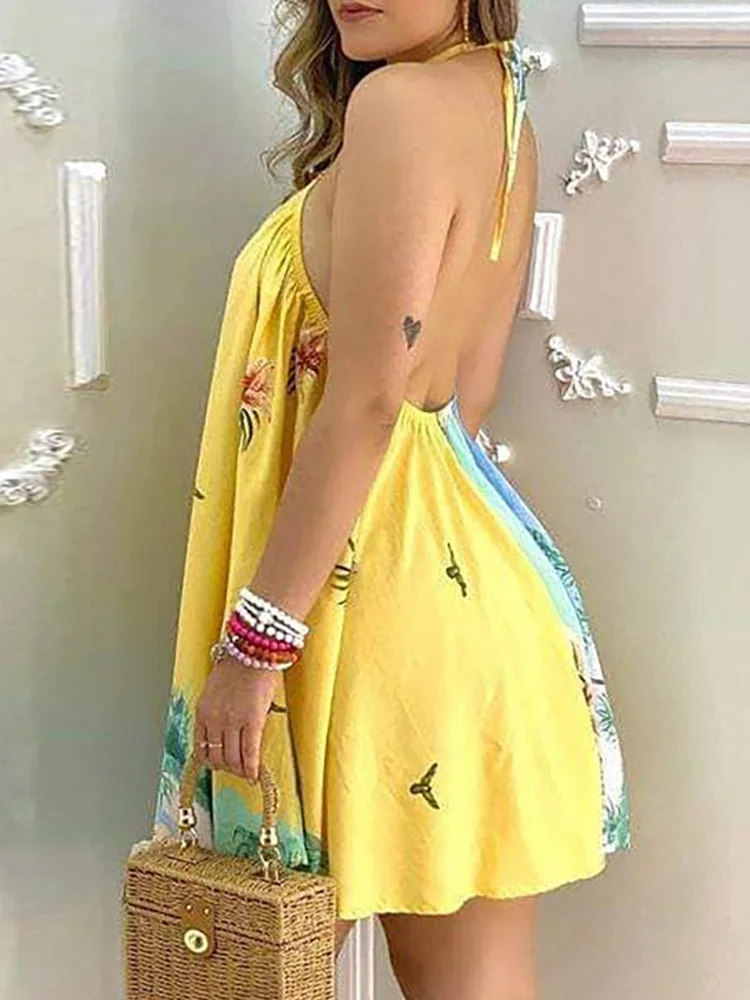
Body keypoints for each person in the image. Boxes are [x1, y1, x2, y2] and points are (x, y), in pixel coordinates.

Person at [154, 0, 630, 995]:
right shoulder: (504, 107)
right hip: (472, 597)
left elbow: (371, 401)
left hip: (355, 611)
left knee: (243, 971)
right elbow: (465, 394)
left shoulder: (402, 106)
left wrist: (257, 643)